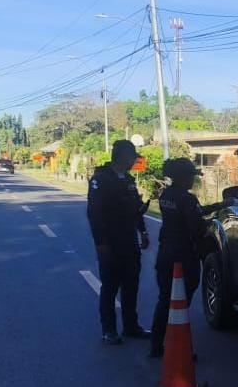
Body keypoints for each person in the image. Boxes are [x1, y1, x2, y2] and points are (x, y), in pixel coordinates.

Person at [149, 157, 226, 358]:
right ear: (184, 177)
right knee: (181, 306)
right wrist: (211, 224)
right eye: (192, 176)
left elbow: (194, 213)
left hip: (166, 254)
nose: (194, 180)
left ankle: (156, 344)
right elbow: (197, 226)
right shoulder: (187, 199)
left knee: (165, 300)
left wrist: (219, 205)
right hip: (184, 257)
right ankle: (180, 350)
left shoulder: (166, 195)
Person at [87, 139, 151, 345]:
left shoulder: (128, 180)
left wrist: (143, 232)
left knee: (131, 285)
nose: (134, 161)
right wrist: (100, 242)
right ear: (123, 156)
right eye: (132, 157)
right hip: (110, 241)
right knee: (110, 286)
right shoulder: (101, 179)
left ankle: (131, 326)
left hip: (129, 240)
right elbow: (94, 213)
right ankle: (109, 330)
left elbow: (136, 208)